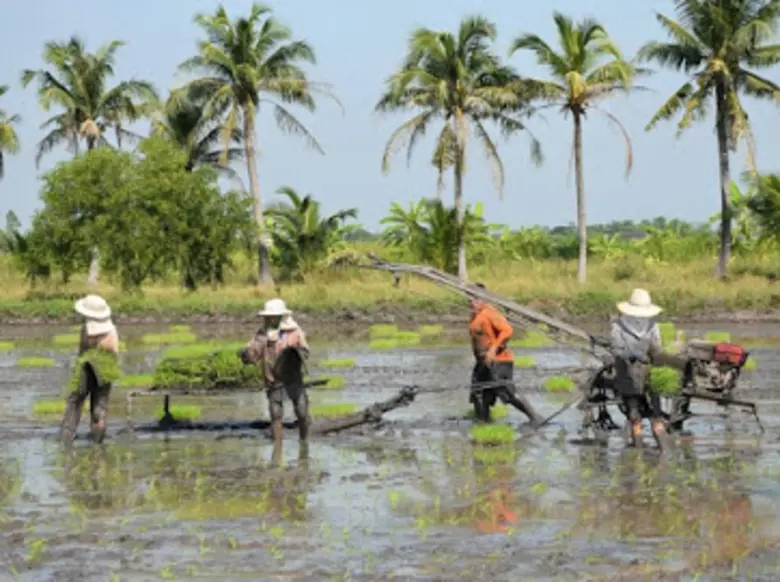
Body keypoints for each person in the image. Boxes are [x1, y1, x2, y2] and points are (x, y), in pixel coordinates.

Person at [468, 283, 543, 426]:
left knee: (507, 392)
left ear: (484, 299)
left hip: (499, 360)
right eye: (470, 299)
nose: (472, 302)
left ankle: (534, 417)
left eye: (475, 299)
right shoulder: (473, 315)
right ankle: (483, 424)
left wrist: (493, 349)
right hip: (482, 362)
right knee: (479, 393)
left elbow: (507, 330)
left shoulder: (490, 313)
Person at [240, 298, 311, 443]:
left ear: (280, 317)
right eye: (267, 317)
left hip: (294, 379)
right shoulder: (262, 334)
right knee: (276, 414)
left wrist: (296, 353)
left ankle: (304, 443)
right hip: (273, 380)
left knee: (302, 411)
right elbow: (253, 355)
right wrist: (247, 354)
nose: (268, 319)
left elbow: (305, 352)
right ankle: (278, 449)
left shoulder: (295, 332)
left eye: (271, 316)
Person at [610, 288, 673, 450]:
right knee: (634, 413)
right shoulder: (618, 326)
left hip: (649, 374)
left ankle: (663, 450)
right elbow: (616, 351)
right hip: (627, 374)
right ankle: (638, 450)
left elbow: (657, 349)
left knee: (656, 415)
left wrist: (662, 360)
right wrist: (631, 353)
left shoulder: (653, 325)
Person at [60, 294, 120, 445]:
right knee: (100, 405)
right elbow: (114, 353)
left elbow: (82, 352)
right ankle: (98, 445)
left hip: (88, 365)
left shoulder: (87, 329)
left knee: (75, 401)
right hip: (108, 367)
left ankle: (66, 440)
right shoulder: (112, 330)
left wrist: (77, 368)